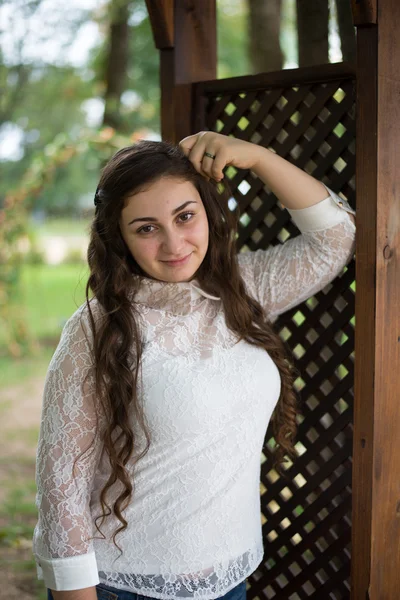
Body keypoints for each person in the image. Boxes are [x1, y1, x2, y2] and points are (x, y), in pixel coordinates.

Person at [32, 131, 356, 600]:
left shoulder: (243, 290)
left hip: (228, 580)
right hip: (122, 587)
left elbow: (335, 238)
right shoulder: (98, 329)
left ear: (208, 212)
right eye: (146, 228)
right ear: (119, 237)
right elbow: (61, 484)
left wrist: (259, 157)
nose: (173, 243)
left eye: (186, 217)